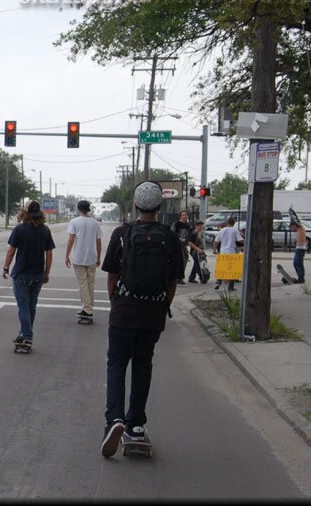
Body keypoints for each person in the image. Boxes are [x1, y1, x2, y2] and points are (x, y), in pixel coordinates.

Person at [99, 181, 183, 457]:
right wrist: (161, 307)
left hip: (124, 310)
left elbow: (111, 276)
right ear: (159, 206)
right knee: (143, 364)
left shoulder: (123, 234)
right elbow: (172, 282)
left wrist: (117, 303)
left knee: (116, 364)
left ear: (135, 205)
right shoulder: (170, 238)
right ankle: (135, 424)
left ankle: (115, 420)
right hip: (152, 313)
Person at [2, 199, 55, 349]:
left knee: (24, 306)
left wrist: (6, 267)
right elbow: (49, 254)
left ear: (25, 213)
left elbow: (11, 251)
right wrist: (47, 273)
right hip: (38, 274)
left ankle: (27, 336)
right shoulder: (45, 230)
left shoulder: (19, 229)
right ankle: (24, 333)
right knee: (31, 306)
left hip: (21, 274)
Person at [65, 199, 103, 321]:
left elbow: (71, 239)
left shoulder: (74, 222)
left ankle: (87, 309)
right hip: (92, 257)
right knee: (90, 284)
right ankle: (89, 307)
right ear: (88, 209)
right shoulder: (94, 223)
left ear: (79, 209)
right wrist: (98, 257)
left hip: (79, 258)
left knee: (82, 284)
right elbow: (98, 241)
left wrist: (67, 256)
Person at [212, 217, 244, 291]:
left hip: (223, 252)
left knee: (222, 269)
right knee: (232, 270)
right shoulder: (235, 231)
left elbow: (216, 241)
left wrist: (214, 250)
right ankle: (231, 287)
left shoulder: (222, 230)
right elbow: (240, 240)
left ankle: (218, 283)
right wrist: (247, 242)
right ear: (234, 223)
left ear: (227, 223)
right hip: (231, 252)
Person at [170, 210, 192, 285]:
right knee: (179, 261)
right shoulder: (176, 224)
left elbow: (189, 235)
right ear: (180, 216)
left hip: (184, 246)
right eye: (183, 215)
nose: (184, 216)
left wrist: (186, 241)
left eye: (186, 215)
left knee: (185, 260)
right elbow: (172, 233)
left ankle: (180, 277)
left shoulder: (188, 225)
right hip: (177, 246)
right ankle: (177, 278)